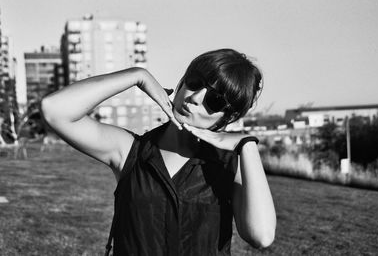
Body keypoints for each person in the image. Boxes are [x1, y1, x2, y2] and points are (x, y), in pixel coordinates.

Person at [40, 48, 276, 255]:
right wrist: (137, 75)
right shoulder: (130, 150)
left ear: (229, 116)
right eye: (194, 82)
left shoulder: (230, 166)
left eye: (214, 100)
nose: (194, 98)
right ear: (182, 81)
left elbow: (262, 236)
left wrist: (247, 145)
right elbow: (54, 110)